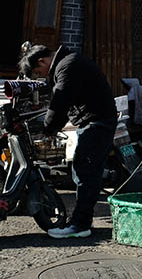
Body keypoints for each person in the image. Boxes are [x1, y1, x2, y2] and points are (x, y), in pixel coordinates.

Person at [19, 43, 117, 239]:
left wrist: (48, 128)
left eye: (39, 71)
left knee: (85, 173)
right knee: (85, 172)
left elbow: (60, 101)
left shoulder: (68, 66)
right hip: (96, 121)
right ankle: (81, 223)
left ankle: (80, 225)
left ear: (42, 60)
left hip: (96, 123)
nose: (43, 75)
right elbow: (64, 100)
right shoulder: (69, 61)